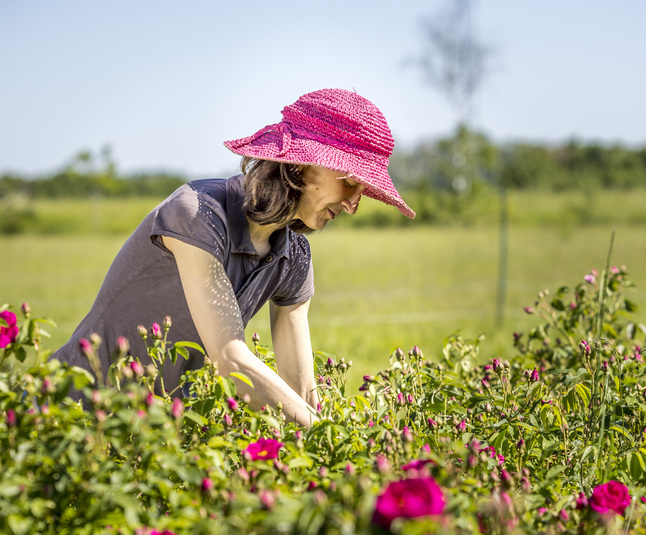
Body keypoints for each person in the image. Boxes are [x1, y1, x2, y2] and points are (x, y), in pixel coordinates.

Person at [50, 88, 414, 427]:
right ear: (303, 164)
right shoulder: (196, 214)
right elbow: (230, 359)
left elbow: (302, 388)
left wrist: (327, 445)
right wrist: (326, 436)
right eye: (350, 183)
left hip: (152, 434)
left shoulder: (294, 256)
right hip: (68, 413)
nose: (353, 205)